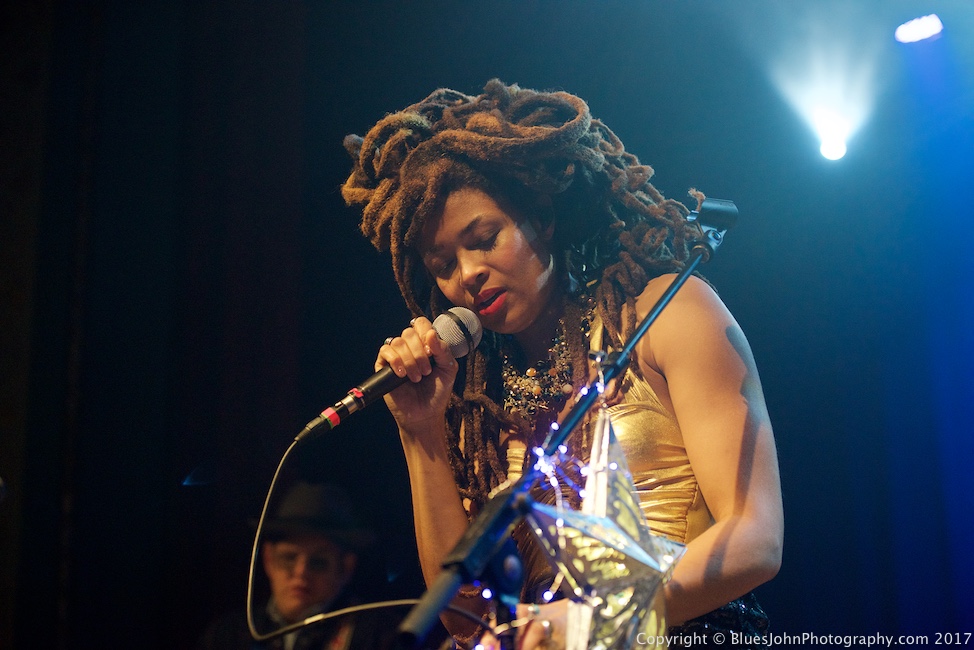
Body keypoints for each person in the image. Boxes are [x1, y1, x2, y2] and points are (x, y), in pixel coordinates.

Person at [341, 79, 783, 649]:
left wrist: (589, 622)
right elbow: (462, 615)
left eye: (484, 237)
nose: (467, 273)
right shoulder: (482, 402)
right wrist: (420, 430)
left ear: (541, 218)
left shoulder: (664, 313)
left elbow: (755, 539)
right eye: (443, 263)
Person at [198, 481, 394, 650]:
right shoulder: (228, 636)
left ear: (346, 567)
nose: (301, 572)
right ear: (268, 559)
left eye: (318, 562)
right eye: (289, 558)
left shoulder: (380, 636)